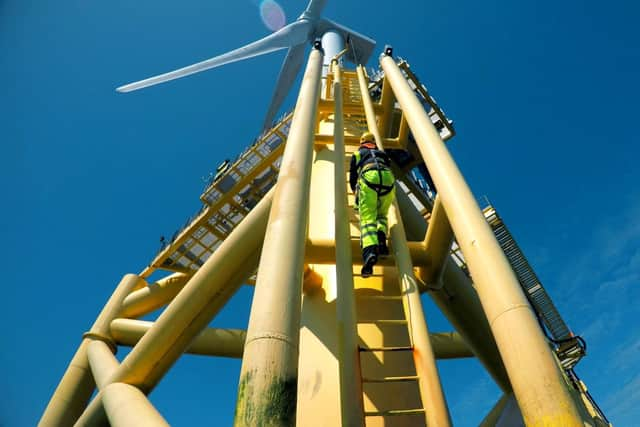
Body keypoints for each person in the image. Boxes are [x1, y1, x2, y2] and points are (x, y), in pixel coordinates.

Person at [349, 131, 396, 278]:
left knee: (368, 218)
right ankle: (381, 240)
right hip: (388, 180)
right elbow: (388, 165)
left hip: (369, 177)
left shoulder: (358, 154)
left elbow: (353, 176)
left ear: (362, 142)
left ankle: (370, 251)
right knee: (381, 215)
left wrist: (355, 191)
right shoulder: (381, 153)